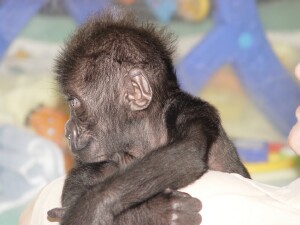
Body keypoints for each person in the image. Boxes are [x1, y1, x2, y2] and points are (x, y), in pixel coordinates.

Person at [19, 64, 300, 225]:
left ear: (135, 91)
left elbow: (188, 157)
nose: (297, 69)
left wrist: (105, 204)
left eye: (78, 106)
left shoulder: (188, 118)